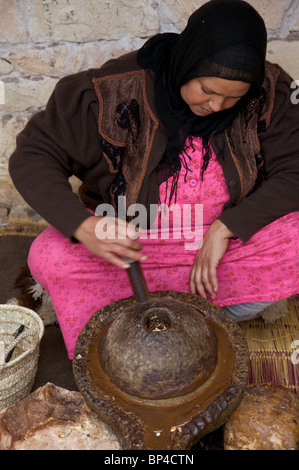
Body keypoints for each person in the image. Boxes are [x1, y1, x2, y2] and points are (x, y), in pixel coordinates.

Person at [9, 0, 299, 360]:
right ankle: (170, 316)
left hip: (219, 247)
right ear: (188, 62)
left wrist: (228, 226)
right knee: (50, 255)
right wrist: (85, 227)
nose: (216, 105)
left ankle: (189, 316)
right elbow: (33, 155)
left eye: (233, 97)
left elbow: (294, 171)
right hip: (133, 244)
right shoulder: (108, 91)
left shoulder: (271, 91)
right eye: (207, 90)